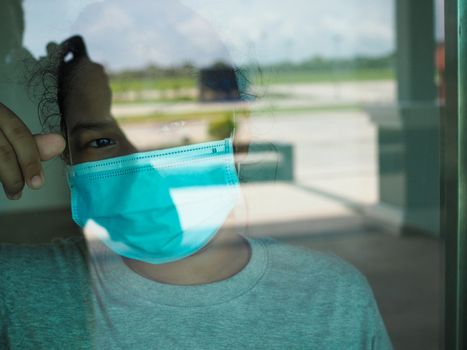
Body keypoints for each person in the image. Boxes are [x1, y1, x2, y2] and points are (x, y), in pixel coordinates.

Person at [0, 32, 392, 350]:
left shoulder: (332, 298)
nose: (141, 168)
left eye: (172, 129)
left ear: (240, 135)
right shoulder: (14, 293)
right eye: (101, 142)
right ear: (69, 155)